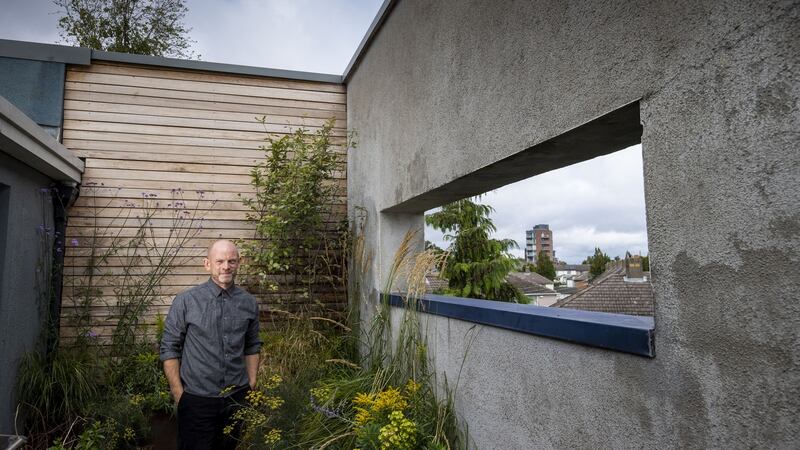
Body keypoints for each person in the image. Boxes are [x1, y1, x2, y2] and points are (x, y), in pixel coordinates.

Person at [160, 239, 262, 450]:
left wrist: (251, 382)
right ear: (207, 264)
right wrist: (178, 393)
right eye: (220, 261)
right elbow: (169, 347)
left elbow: (252, 345)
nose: (226, 266)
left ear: (239, 263)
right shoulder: (186, 301)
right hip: (197, 399)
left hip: (236, 397)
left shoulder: (249, 303)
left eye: (231, 261)